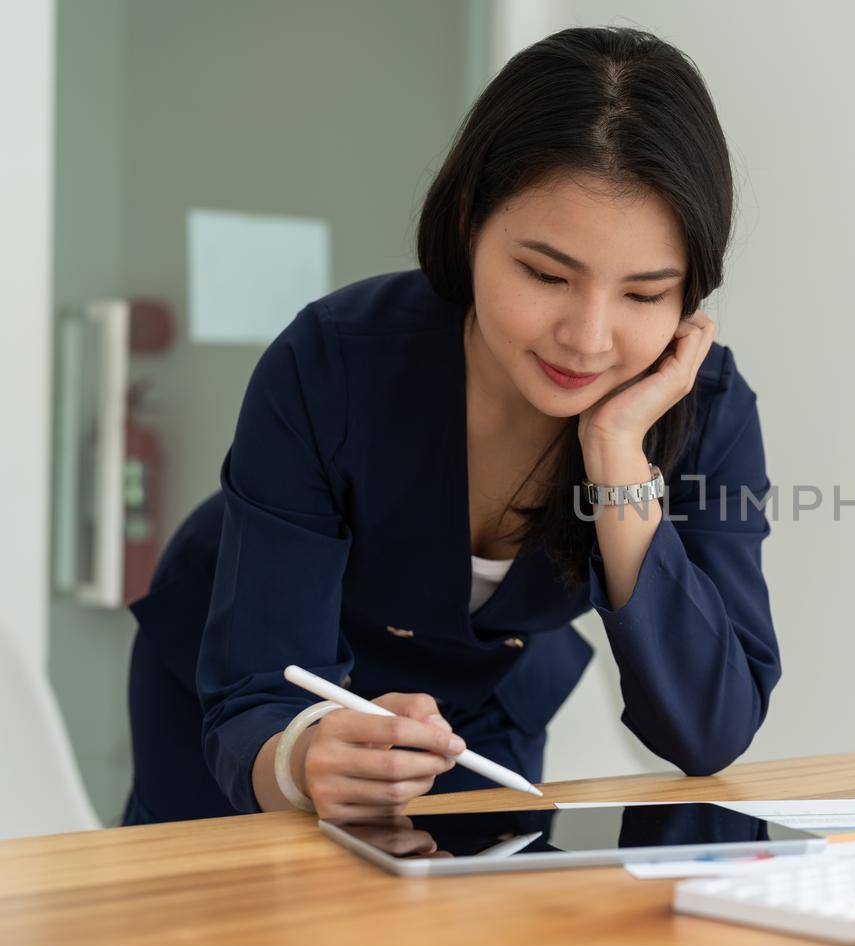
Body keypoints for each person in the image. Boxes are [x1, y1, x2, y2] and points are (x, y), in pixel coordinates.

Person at [120, 26, 779, 825]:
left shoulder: (700, 411)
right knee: (220, 939)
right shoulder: (332, 362)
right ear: (470, 222)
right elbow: (258, 682)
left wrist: (616, 460)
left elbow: (710, 729)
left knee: (462, 943)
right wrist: (300, 756)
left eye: (644, 294)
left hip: (473, 725)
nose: (588, 337)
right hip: (249, 710)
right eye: (545, 274)